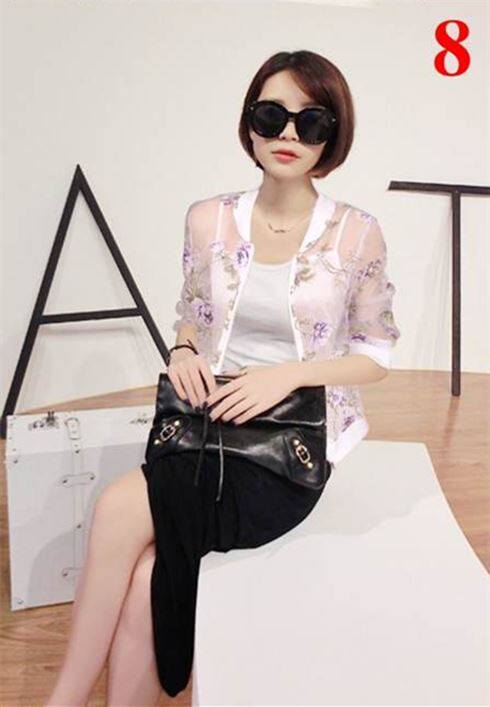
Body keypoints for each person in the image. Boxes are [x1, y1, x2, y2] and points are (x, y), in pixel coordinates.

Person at [46, 49, 401, 705]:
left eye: (311, 121)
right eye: (272, 116)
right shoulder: (207, 219)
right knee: (146, 576)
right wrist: (183, 350)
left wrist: (290, 376)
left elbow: (376, 354)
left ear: (333, 135)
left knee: (120, 510)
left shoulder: (356, 234)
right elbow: (191, 314)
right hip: (203, 425)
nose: (288, 134)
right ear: (250, 124)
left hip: (287, 450)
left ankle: (63, 700)